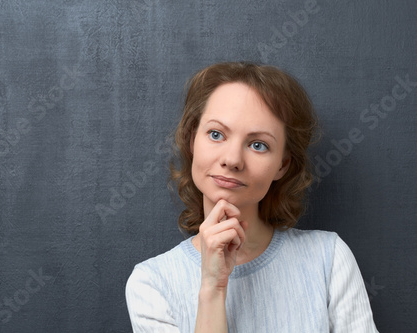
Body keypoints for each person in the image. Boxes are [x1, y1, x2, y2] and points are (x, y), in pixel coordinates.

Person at [125, 62, 378, 332]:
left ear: (282, 165)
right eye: (216, 134)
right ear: (191, 141)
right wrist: (212, 288)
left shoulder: (328, 259)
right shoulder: (151, 284)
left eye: (258, 145)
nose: (232, 159)